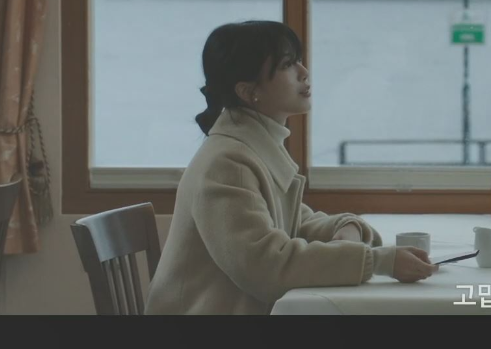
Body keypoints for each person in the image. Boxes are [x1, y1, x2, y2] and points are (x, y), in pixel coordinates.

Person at [145, 20, 436, 315]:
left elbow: (297, 223)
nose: (304, 72)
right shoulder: (227, 163)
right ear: (248, 91)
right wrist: (378, 261)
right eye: (287, 65)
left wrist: (347, 227)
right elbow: (266, 268)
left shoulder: (251, 147)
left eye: (298, 60)